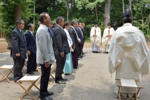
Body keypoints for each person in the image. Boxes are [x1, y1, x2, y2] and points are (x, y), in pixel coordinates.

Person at [109, 9, 150, 98]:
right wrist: (135, 55)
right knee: (134, 74)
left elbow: (112, 49)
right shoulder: (138, 32)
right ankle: (133, 93)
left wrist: (120, 55)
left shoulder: (117, 32)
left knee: (120, 74)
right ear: (132, 20)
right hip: (134, 63)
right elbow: (145, 50)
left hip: (121, 62)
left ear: (123, 21)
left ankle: (121, 92)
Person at [36, 12, 55, 100]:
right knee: (44, 76)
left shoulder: (45, 29)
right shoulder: (42, 30)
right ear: (44, 19)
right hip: (45, 59)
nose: (50, 19)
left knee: (46, 75)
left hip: (47, 58)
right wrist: (46, 60)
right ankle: (43, 95)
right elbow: (43, 47)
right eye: (49, 18)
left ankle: (45, 91)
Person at [54, 16, 70, 84]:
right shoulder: (57, 29)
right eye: (63, 21)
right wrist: (61, 51)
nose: (64, 22)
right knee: (59, 65)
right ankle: (57, 79)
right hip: (60, 51)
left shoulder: (60, 28)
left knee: (62, 64)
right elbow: (58, 41)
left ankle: (60, 77)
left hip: (63, 50)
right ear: (59, 21)